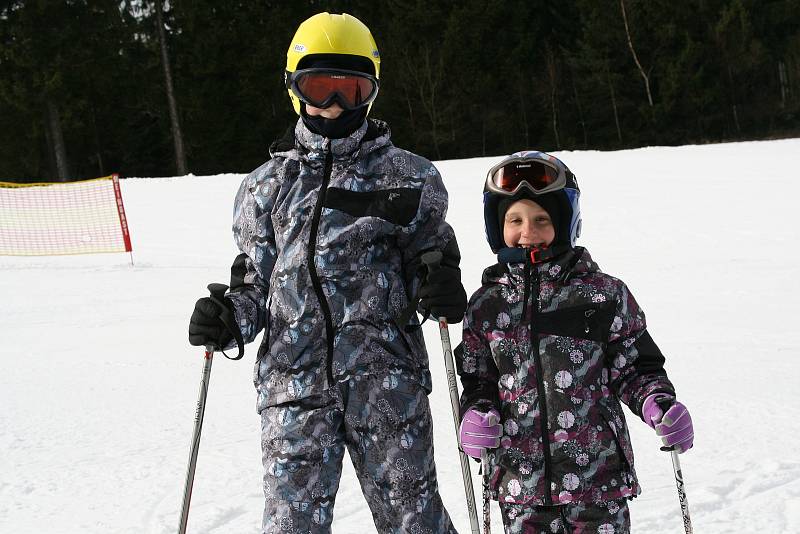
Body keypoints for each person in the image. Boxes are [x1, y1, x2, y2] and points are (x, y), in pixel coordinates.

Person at [188, 12, 466, 534]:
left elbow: (432, 256)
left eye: (351, 89)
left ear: (371, 92)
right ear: (295, 87)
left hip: (386, 385)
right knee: (291, 526)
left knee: (415, 521)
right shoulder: (265, 188)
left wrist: (438, 282)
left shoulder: (409, 177)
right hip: (293, 389)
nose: (335, 104)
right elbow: (256, 285)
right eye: (321, 87)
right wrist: (229, 316)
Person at [454, 151, 694, 533]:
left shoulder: (602, 295)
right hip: (521, 484)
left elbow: (634, 366)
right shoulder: (486, 305)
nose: (527, 231)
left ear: (565, 223)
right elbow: (477, 378)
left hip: (597, 480)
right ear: (496, 226)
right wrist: (477, 414)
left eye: (541, 219)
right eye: (514, 219)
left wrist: (656, 402)